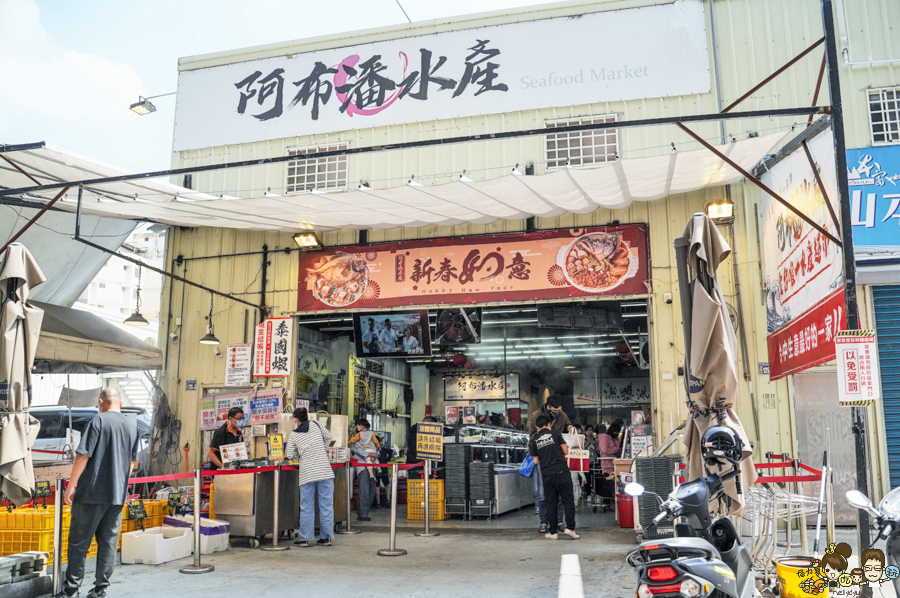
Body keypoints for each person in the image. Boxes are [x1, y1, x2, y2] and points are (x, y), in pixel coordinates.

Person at [63, 388, 140, 598]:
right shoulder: (132, 426)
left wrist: (71, 486)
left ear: (101, 401)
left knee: (79, 543)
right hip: (117, 495)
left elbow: (82, 455)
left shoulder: (98, 421)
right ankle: (100, 589)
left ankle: (71, 590)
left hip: (91, 494)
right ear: (120, 404)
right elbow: (132, 464)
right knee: (108, 544)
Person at [285, 407, 336, 547]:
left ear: (296, 419)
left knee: (306, 505)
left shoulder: (294, 434)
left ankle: (304, 539)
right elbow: (329, 438)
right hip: (324, 470)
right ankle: (326, 538)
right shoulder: (316, 424)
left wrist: (298, 454)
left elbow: (289, 455)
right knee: (326, 505)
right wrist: (321, 449)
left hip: (307, 472)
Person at [529, 413, 578, 541]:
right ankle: (571, 529)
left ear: (537, 426)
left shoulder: (533, 440)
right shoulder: (556, 434)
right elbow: (566, 451)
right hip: (562, 471)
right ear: (549, 424)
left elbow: (536, 461)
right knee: (568, 500)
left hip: (547, 474)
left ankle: (553, 532)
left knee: (551, 502)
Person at [527, 395, 571, 532]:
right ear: (548, 407)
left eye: (560, 410)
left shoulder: (562, 415)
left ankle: (558, 522)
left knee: (558, 494)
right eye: (555, 410)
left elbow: (568, 425)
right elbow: (532, 437)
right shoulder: (535, 416)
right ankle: (544, 522)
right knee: (543, 494)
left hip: (557, 461)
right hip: (544, 459)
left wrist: (570, 428)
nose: (558, 412)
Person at [349, 418, 380, 521]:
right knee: (364, 491)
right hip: (362, 468)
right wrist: (371, 454)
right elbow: (359, 451)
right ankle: (362, 513)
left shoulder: (372, 438)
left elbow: (378, 450)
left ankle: (366, 510)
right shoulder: (358, 440)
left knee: (371, 492)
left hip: (373, 466)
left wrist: (374, 455)